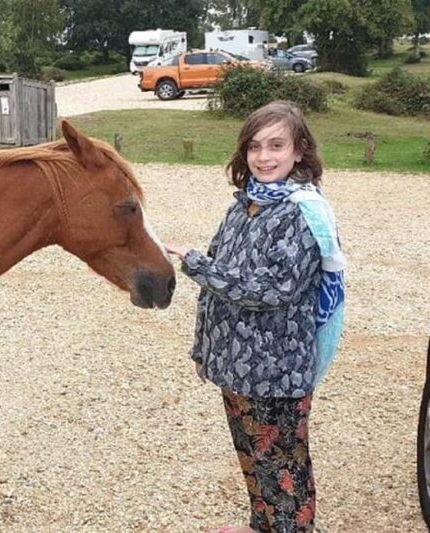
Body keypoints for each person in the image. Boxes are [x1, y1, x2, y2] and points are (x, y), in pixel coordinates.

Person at [164, 100, 345, 533]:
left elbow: (271, 289)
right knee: (253, 459)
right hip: (236, 367)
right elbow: (216, 291)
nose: (264, 157)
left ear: (299, 150)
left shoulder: (302, 213)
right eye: (254, 147)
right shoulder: (244, 206)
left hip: (277, 372)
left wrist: (195, 264)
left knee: (285, 471)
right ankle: (260, 526)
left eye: (276, 146)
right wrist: (203, 349)